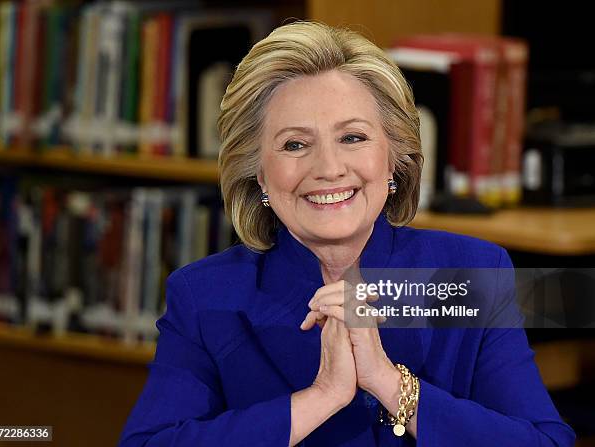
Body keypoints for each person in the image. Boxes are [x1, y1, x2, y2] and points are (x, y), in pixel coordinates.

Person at [119, 21, 575, 446]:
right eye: (295, 144)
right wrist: (319, 398)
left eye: (353, 138)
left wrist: (390, 383)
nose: (329, 169)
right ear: (258, 174)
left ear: (395, 158)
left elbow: (545, 441)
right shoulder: (204, 295)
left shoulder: (474, 272)